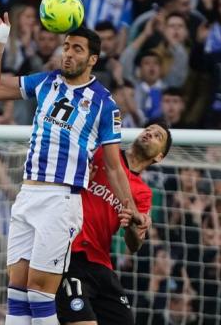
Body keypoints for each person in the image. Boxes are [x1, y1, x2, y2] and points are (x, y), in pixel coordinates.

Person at [0, 4, 144, 325]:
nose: (67, 53)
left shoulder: (104, 104)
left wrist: (130, 206)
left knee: (41, 292)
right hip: (27, 194)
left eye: (77, 49)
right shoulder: (47, 82)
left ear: (92, 59)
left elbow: (113, 166)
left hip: (61, 200)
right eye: (66, 46)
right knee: (17, 291)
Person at [56, 122, 172, 324]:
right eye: (148, 130)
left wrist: (130, 227)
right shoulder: (103, 154)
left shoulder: (143, 193)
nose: (149, 133)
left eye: (157, 136)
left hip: (101, 263)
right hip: (70, 254)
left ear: (159, 157)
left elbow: (135, 245)